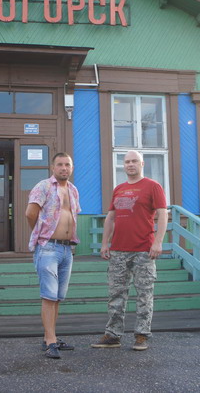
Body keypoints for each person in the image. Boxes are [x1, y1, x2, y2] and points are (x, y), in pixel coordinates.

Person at [91, 150, 168, 351]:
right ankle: (113, 335)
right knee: (115, 294)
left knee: (144, 294)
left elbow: (163, 214)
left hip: (144, 250)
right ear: (123, 165)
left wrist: (158, 242)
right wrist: (105, 243)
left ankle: (141, 335)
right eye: (126, 162)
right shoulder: (119, 189)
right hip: (118, 250)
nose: (130, 164)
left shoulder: (153, 186)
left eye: (134, 161)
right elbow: (110, 217)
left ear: (142, 164)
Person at [25, 152, 81, 359]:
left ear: (72, 168)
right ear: (52, 167)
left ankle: (51, 337)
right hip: (48, 247)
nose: (64, 168)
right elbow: (30, 213)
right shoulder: (44, 186)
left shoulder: (73, 189)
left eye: (67, 164)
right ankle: (50, 342)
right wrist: (41, 235)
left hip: (67, 249)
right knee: (49, 296)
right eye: (60, 164)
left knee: (57, 298)